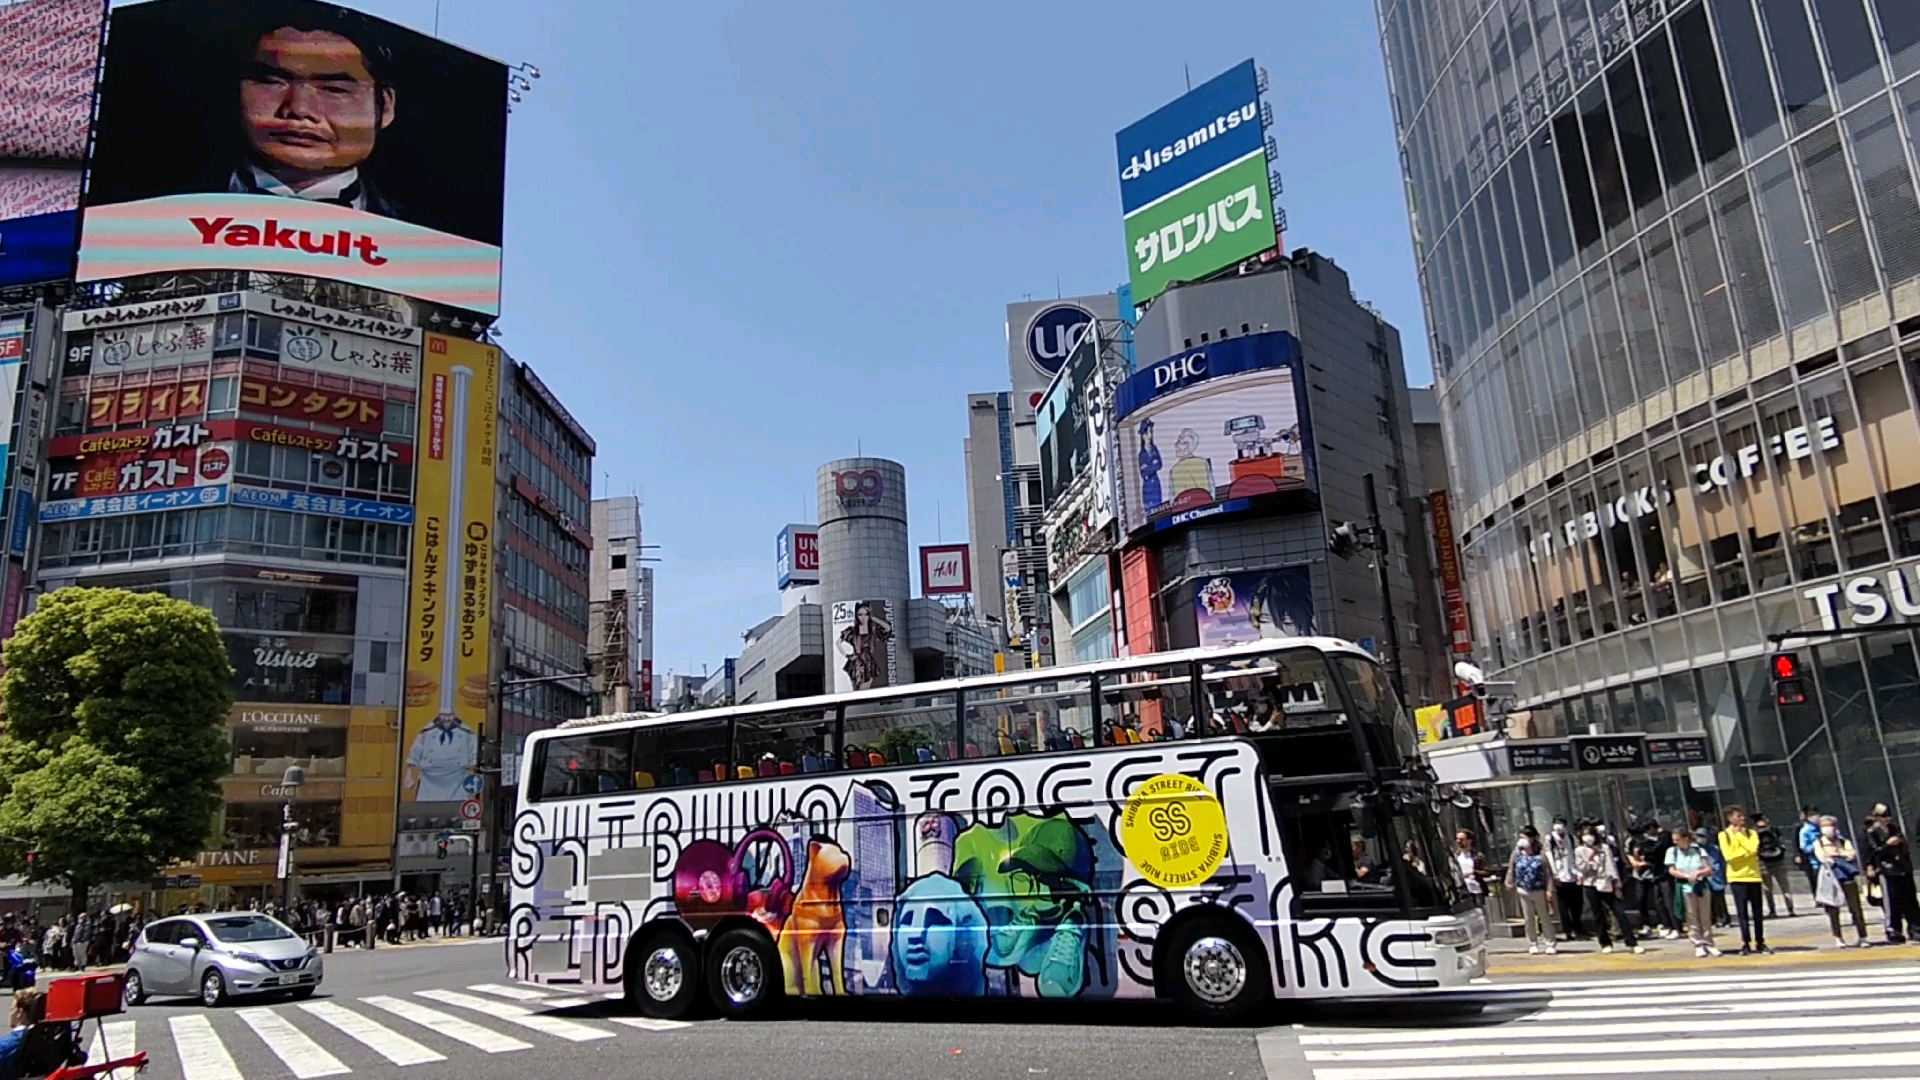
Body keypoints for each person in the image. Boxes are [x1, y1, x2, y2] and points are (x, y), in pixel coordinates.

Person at [213, 9, 408, 220]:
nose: (299, 109)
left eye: (334, 89)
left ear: (386, 107)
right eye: (273, 82)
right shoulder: (183, 198)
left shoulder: (421, 231)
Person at [1577, 826, 1644, 954]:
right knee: (1598, 915)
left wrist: (1616, 885)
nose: (1588, 838)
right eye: (1585, 835)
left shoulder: (1604, 848)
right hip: (1590, 884)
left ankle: (1631, 942)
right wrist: (1591, 858)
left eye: (1590, 834)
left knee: (1619, 912)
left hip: (1606, 883)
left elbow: (1611, 866)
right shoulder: (1579, 850)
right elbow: (1582, 869)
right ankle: (1605, 942)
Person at [1813, 815, 1871, 947]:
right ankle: (1838, 937)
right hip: (1830, 878)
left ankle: (1862, 936)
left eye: (1830, 825)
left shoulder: (1844, 841)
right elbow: (1822, 857)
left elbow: (1851, 854)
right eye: (1824, 826)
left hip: (1847, 877)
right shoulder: (1819, 842)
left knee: (1855, 907)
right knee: (1833, 909)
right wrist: (1837, 856)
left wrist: (1837, 854)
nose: (1828, 829)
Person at [1718, 806, 1769, 955]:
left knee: (1757, 911)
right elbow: (1729, 856)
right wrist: (1744, 854)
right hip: (1737, 877)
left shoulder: (1751, 833)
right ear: (1730, 818)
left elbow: (1753, 849)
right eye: (1738, 816)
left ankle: (1760, 941)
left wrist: (1740, 837)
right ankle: (1745, 942)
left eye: (1742, 816)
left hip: (1753, 875)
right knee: (1742, 912)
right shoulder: (1724, 835)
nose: (1742, 819)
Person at [1666, 827, 1720, 958]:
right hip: (1685, 887)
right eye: (1674, 840)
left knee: (1705, 916)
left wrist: (1698, 873)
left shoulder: (1698, 850)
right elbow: (1672, 870)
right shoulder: (1672, 851)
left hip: (1701, 886)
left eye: (1678, 840)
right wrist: (1686, 876)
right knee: (1691, 916)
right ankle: (1698, 943)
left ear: (1686, 839)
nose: (1675, 842)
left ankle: (1709, 943)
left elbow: (1708, 868)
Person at [1506, 832, 1556, 955]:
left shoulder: (1541, 855)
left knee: (1544, 917)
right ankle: (1533, 943)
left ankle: (1550, 943)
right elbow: (1511, 869)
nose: (1521, 840)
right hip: (1523, 890)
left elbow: (1548, 873)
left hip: (1539, 890)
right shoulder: (1516, 854)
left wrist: (1549, 890)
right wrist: (1509, 882)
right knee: (1528, 919)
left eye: (1524, 838)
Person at [1628, 819, 1678, 939]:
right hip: (1657, 874)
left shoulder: (1664, 837)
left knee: (1669, 900)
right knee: (1659, 901)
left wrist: (1645, 854)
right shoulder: (1635, 842)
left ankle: (1676, 927)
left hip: (1664, 872)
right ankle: (1667, 925)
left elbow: (1656, 851)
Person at [1871, 817, 1918, 945]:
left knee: (1910, 900)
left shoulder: (1895, 828)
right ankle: (1894, 931)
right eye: (1882, 815)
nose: (1886, 818)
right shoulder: (1872, 832)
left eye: (1887, 815)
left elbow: (1905, 845)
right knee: (1892, 902)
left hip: (1903, 868)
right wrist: (1887, 845)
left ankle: (1915, 929)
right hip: (1887, 870)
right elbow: (1874, 851)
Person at [1546, 817, 1585, 939]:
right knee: (1563, 905)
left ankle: (1578, 928)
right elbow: (1549, 856)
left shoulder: (1572, 839)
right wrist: (1555, 874)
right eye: (1557, 823)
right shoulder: (1550, 839)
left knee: (1577, 904)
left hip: (1573, 874)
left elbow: (1577, 855)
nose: (1559, 826)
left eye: (1561, 824)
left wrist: (1579, 873)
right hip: (1559, 875)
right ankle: (1568, 930)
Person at [1753, 812, 1795, 918]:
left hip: (1763, 862)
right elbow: (1781, 842)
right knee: (1784, 886)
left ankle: (1772, 910)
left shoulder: (1754, 832)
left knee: (1767, 888)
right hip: (1778, 860)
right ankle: (1790, 909)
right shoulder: (1773, 829)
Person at [1453, 830, 1490, 907]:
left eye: (1461, 839)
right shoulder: (1455, 856)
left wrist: (1474, 872)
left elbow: (1487, 871)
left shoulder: (1478, 856)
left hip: (1477, 891)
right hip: (1462, 892)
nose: (1458, 841)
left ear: (1469, 841)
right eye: (1457, 839)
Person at [1798, 805, 1823, 896]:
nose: (1815, 817)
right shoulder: (1805, 831)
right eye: (1811, 815)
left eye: (1816, 814)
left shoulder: (1823, 827)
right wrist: (1817, 846)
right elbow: (1804, 847)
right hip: (1815, 863)